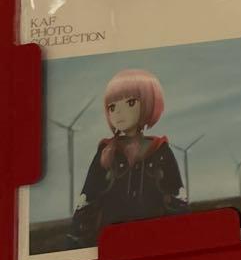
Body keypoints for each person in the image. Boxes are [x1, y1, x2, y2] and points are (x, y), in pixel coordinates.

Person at [71, 69, 185, 244]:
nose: (119, 113)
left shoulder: (160, 148)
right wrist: (82, 215)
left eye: (130, 103)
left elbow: (176, 189)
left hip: (155, 229)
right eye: (112, 107)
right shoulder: (105, 149)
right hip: (113, 231)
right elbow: (90, 189)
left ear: (148, 104)